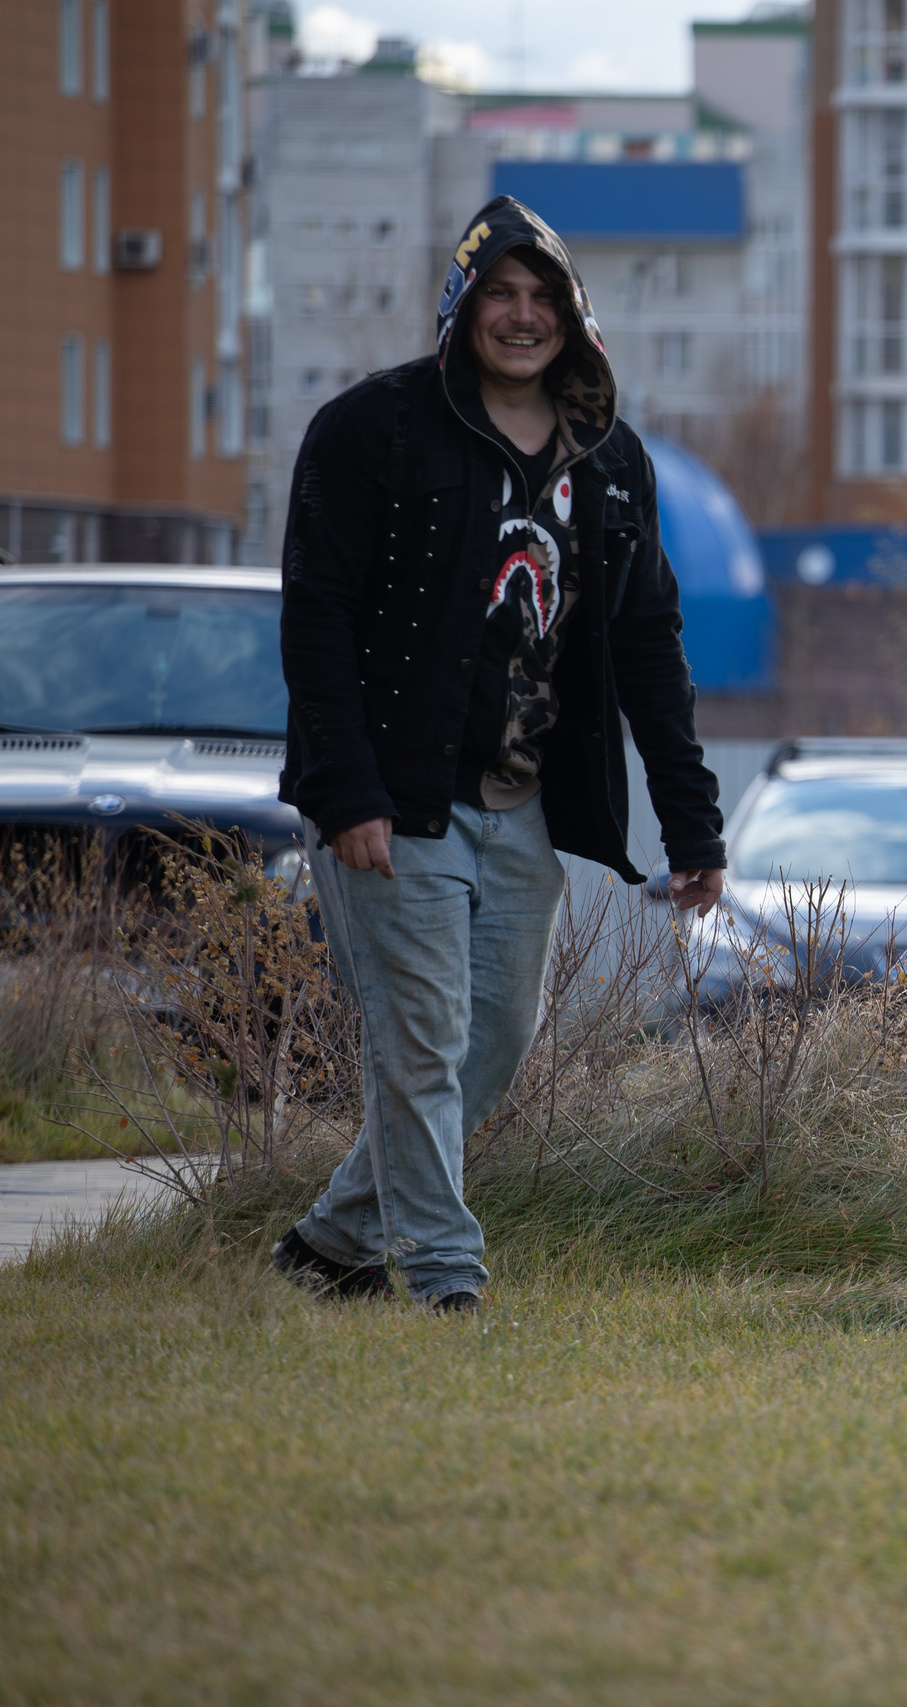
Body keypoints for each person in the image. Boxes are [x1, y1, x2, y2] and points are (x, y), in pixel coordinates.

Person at [269, 196, 727, 1313]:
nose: (520, 317)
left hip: (522, 805)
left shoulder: (613, 464)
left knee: (494, 1047)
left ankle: (329, 1242)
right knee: (423, 1038)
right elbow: (315, 619)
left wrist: (692, 824)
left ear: (574, 315)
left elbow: (647, 644)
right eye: (499, 295)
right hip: (393, 797)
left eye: (543, 298)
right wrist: (346, 793)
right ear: (462, 306)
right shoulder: (369, 430)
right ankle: (444, 1285)